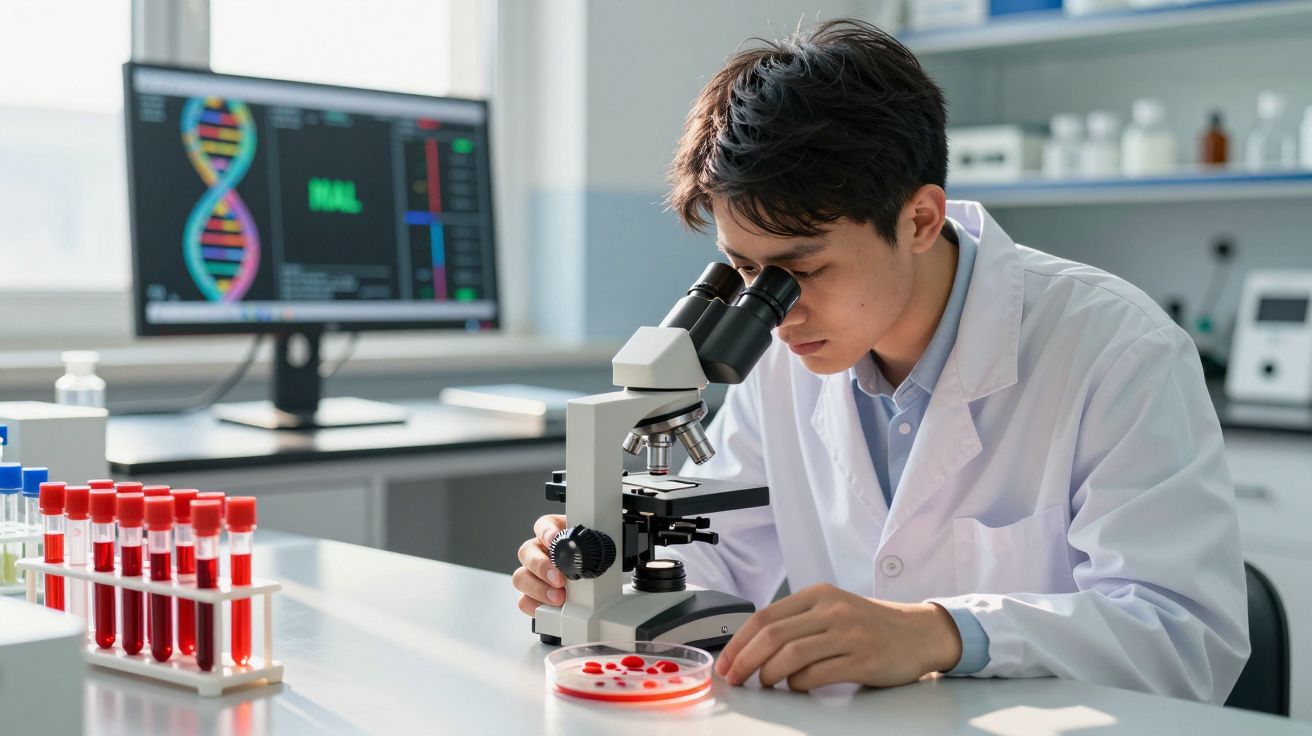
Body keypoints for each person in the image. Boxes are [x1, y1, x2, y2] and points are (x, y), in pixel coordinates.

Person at [512, 18, 1248, 703]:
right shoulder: (780, 352)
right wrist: (608, 574)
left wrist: (942, 630)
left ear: (921, 219)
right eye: (743, 270)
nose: (777, 311)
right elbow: (722, 557)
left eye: (803, 269)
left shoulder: (1116, 348)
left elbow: (1185, 638)